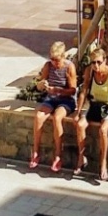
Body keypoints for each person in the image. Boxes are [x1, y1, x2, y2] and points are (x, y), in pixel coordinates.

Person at [30, 41, 77, 172]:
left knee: (57, 118)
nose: (54, 62)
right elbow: (39, 85)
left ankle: (57, 155)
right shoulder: (48, 66)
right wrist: (42, 85)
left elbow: (73, 90)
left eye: (57, 59)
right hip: (51, 98)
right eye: (52, 59)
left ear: (63, 57)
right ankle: (35, 152)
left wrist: (57, 90)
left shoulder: (69, 67)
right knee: (39, 117)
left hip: (66, 99)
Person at [74, 48, 108, 181]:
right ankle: (81, 158)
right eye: (93, 62)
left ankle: (103, 164)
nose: (96, 65)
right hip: (94, 105)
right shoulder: (90, 71)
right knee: (80, 125)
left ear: (105, 61)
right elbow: (83, 92)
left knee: (103, 130)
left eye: (99, 62)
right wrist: (78, 112)